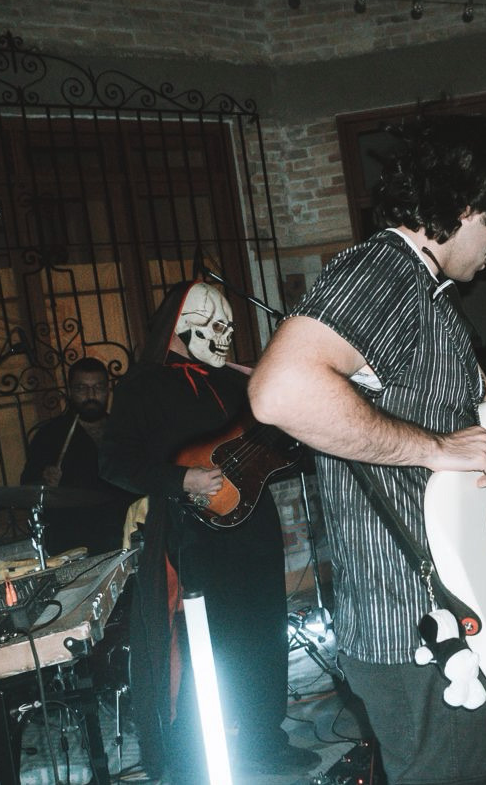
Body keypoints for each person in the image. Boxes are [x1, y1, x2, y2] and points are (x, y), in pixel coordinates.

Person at [248, 115, 486, 785]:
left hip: (468, 603)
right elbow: (278, 391)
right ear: (466, 204)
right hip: (417, 627)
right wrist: (435, 447)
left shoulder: (430, 294)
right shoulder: (383, 270)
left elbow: (452, 448)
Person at [99, 281, 317, 781]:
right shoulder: (142, 386)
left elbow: (274, 448)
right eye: (215, 325)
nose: (225, 336)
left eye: (229, 327)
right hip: (191, 535)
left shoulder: (236, 382)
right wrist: (181, 480)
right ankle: (195, 752)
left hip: (254, 528)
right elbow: (114, 462)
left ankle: (263, 740)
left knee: (263, 633)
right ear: (180, 326)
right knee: (202, 644)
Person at [19, 357, 136, 556]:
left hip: (125, 533)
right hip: (75, 540)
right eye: (82, 388)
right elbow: (28, 488)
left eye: (98, 387)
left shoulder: (123, 431)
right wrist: (45, 481)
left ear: (108, 390)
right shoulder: (49, 436)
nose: (91, 395)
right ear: (70, 391)